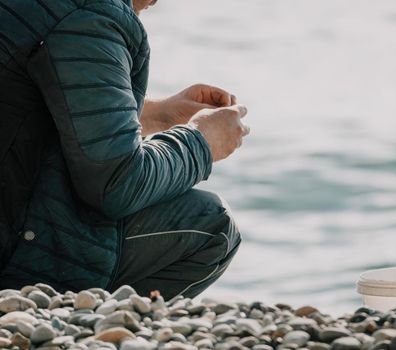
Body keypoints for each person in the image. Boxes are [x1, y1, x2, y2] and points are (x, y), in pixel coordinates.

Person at [0, 0, 249, 299]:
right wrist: (202, 141)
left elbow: (22, 109)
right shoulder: (88, 15)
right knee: (212, 225)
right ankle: (88, 329)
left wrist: (158, 114)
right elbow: (118, 184)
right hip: (12, 253)